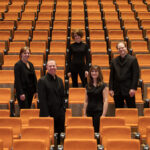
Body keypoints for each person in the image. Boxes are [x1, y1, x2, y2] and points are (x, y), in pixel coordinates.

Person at [37, 60, 65, 144]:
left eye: (54, 66)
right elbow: (42, 99)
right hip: (48, 113)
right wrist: (46, 115)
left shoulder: (60, 80)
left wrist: (63, 110)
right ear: (46, 68)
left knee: (59, 137)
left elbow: (62, 96)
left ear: (56, 67)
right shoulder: (42, 81)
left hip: (59, 114)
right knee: (49, 137)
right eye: (50, 66)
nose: (52, 68)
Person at [109, 41, 140, 108]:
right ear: (117, 50)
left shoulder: (133, 60)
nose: (121, 49)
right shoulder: (114, 61)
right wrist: (111, 89)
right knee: (118, 109)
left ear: (126, 48)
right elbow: (111, 76)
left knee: (131, 109)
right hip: (117, 90)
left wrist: (133, 88)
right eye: (119, 48)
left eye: (122, 47)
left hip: (129, 90)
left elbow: (136, 75)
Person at [83, 65, 108, 132]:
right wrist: (84, 114)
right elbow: (86, 101)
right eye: (92, 71)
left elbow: (105, 101)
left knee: (97, 131)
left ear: (99, 73)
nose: (94, 73)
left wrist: (104, 114)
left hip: (99, 112)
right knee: (88, 131)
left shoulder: (103, 86)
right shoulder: (88, 86)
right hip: (89, 112)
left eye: (96, 71)